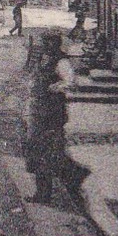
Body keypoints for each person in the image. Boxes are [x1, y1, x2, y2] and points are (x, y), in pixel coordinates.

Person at [25, 33, 76, 203]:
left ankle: (45, 193)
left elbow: (70, 82)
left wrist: (55, 87)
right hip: (39, 110)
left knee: (47, 153)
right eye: (44, 42)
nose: (46, 46)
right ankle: (43, 191)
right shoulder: (44, 59)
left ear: (56, 44)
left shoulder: (61, 62)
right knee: (38, 151)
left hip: (52, 112)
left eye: (49, 43)